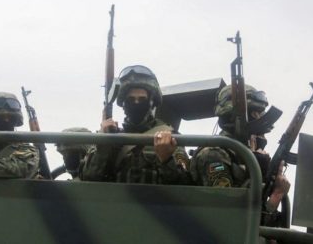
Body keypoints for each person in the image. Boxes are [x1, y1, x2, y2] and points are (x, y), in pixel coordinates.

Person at [190, 84, 290, 227]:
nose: (261, 118)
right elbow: (229, 222)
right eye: (255, 113)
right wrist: (276, 195)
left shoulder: (242, 154)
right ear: (236, 116)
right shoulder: (214, 154)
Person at [82, 65, 190, 184]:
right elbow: (88, 179)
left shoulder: (170, 137)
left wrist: (166, 159)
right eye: (131, 99)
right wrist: (103, 145)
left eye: (142, 99)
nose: (136, 103)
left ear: (151, 102)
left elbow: (184, 184)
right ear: (123, 103)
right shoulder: (110, 137)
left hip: (157, 202)